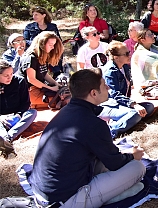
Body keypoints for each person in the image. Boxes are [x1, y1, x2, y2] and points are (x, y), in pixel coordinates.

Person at [28, 68, 146, 207]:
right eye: (104, 85)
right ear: (94, 93)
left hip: (44, 189)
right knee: (137, 168)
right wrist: (133, 156)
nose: (108, 87)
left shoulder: (67, 111)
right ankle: (112, 197)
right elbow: (115, 163)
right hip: (65, 200)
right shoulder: (93, 123)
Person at [101, 41, 155, 138]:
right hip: (110, 105)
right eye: (126, 54)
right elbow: (114, 94)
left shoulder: (125, 67)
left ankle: (129, 120)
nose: (129, 55)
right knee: (136, 112)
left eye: (129, 52)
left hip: (122, 104)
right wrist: (133, 104)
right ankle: (111, 131)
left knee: (149, 107)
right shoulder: (110, 71)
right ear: (116, 57)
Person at [16, 31, 63, 110]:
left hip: (38, 88)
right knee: (58, 101)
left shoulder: (42, 55)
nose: (53, 47)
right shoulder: (30, 57)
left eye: (54, 45)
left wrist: (56, 84)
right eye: (50, 45)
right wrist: (50, 88)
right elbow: (31, 79)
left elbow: (44, 73)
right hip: (27, 92)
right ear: (42, 44)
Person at [1, 60, 37, 156]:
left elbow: (26, 103)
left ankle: (7, 138)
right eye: (6, 76)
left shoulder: (19, 81)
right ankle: (5, 139)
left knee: (32, 113)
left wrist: (19, 115)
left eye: (11, 74)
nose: (10, 77)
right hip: (1, 118)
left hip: (17, 116)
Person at [23, 6, 63, 75]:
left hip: (50, 50)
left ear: (43, 15)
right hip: (36, 51)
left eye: (36, 14)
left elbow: (58, 39)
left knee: (56, 51)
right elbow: (25, 40)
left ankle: (57, 72)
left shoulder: (52, 26)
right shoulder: (29, 27)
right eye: (33, 15)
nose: (34, 16)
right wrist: (37, 44)